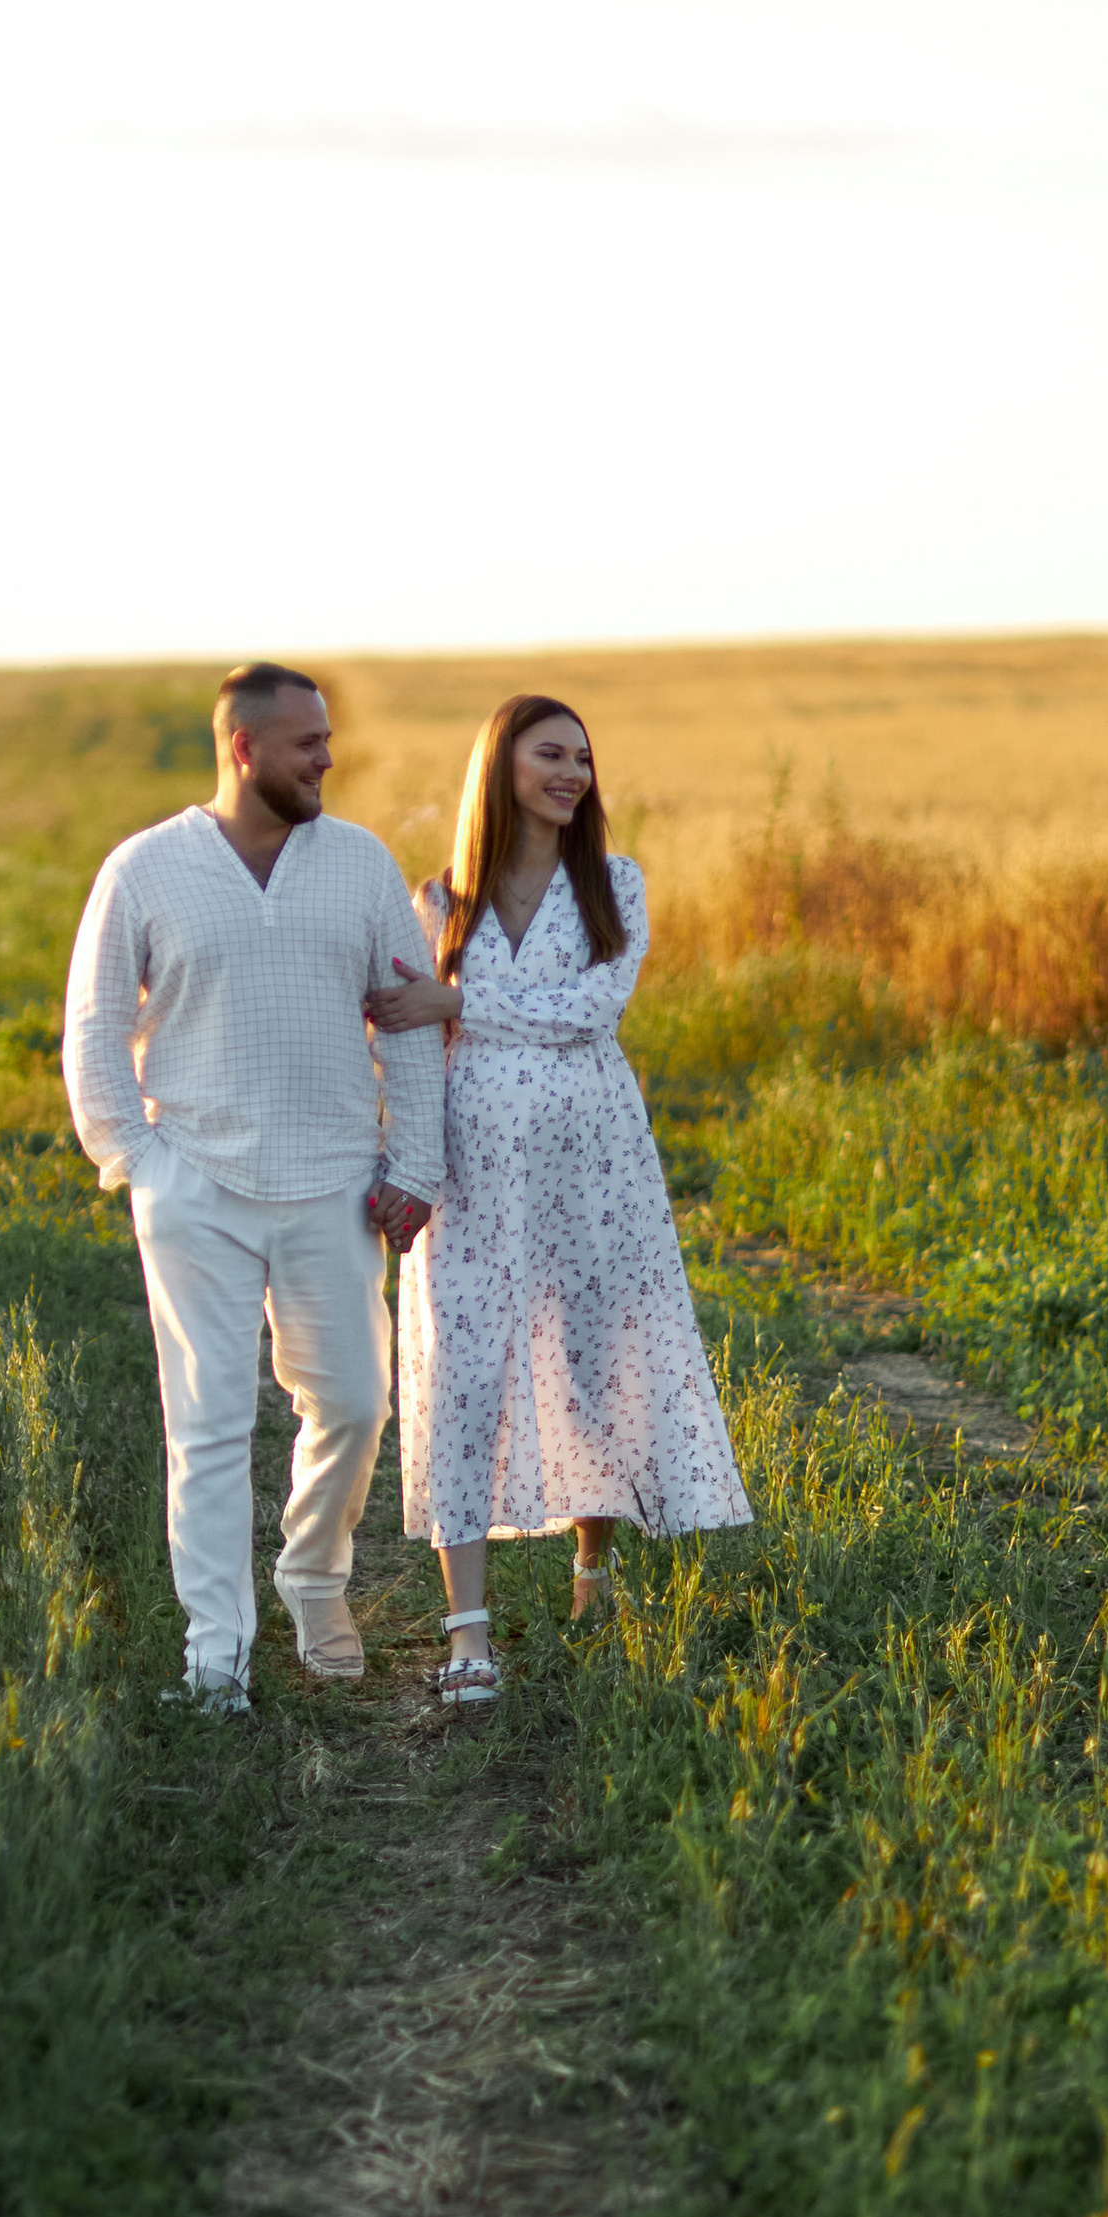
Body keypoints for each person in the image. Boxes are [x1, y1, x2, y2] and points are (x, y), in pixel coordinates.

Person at [62, 664, 444, 1711]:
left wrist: (413, 1164)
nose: (328, 758)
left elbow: (410, 1017)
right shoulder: (145, 870)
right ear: (242, 749)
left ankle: (314, 1583)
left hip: (334, 1182)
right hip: (197, 1186)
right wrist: (140, 1163)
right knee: (209, 1422)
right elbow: (93, 1029)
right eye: (305, 744)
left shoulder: (360, 865)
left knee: (355, 1405)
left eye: (327, 739)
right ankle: (216, 1660)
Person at [367, 693, 750, 1704]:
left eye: (583, 758)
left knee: (595, 1354)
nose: (574, 773)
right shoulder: (437, 903)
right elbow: (405, 1041)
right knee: (463, 1371)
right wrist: (401, 1161)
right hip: (473, 1173)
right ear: (501, 766)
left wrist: (462, 1002)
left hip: (594, 1163)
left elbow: (592, 1010)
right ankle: (468, 1638)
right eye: (551, 754)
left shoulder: (614, 887)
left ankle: (593, 1571)